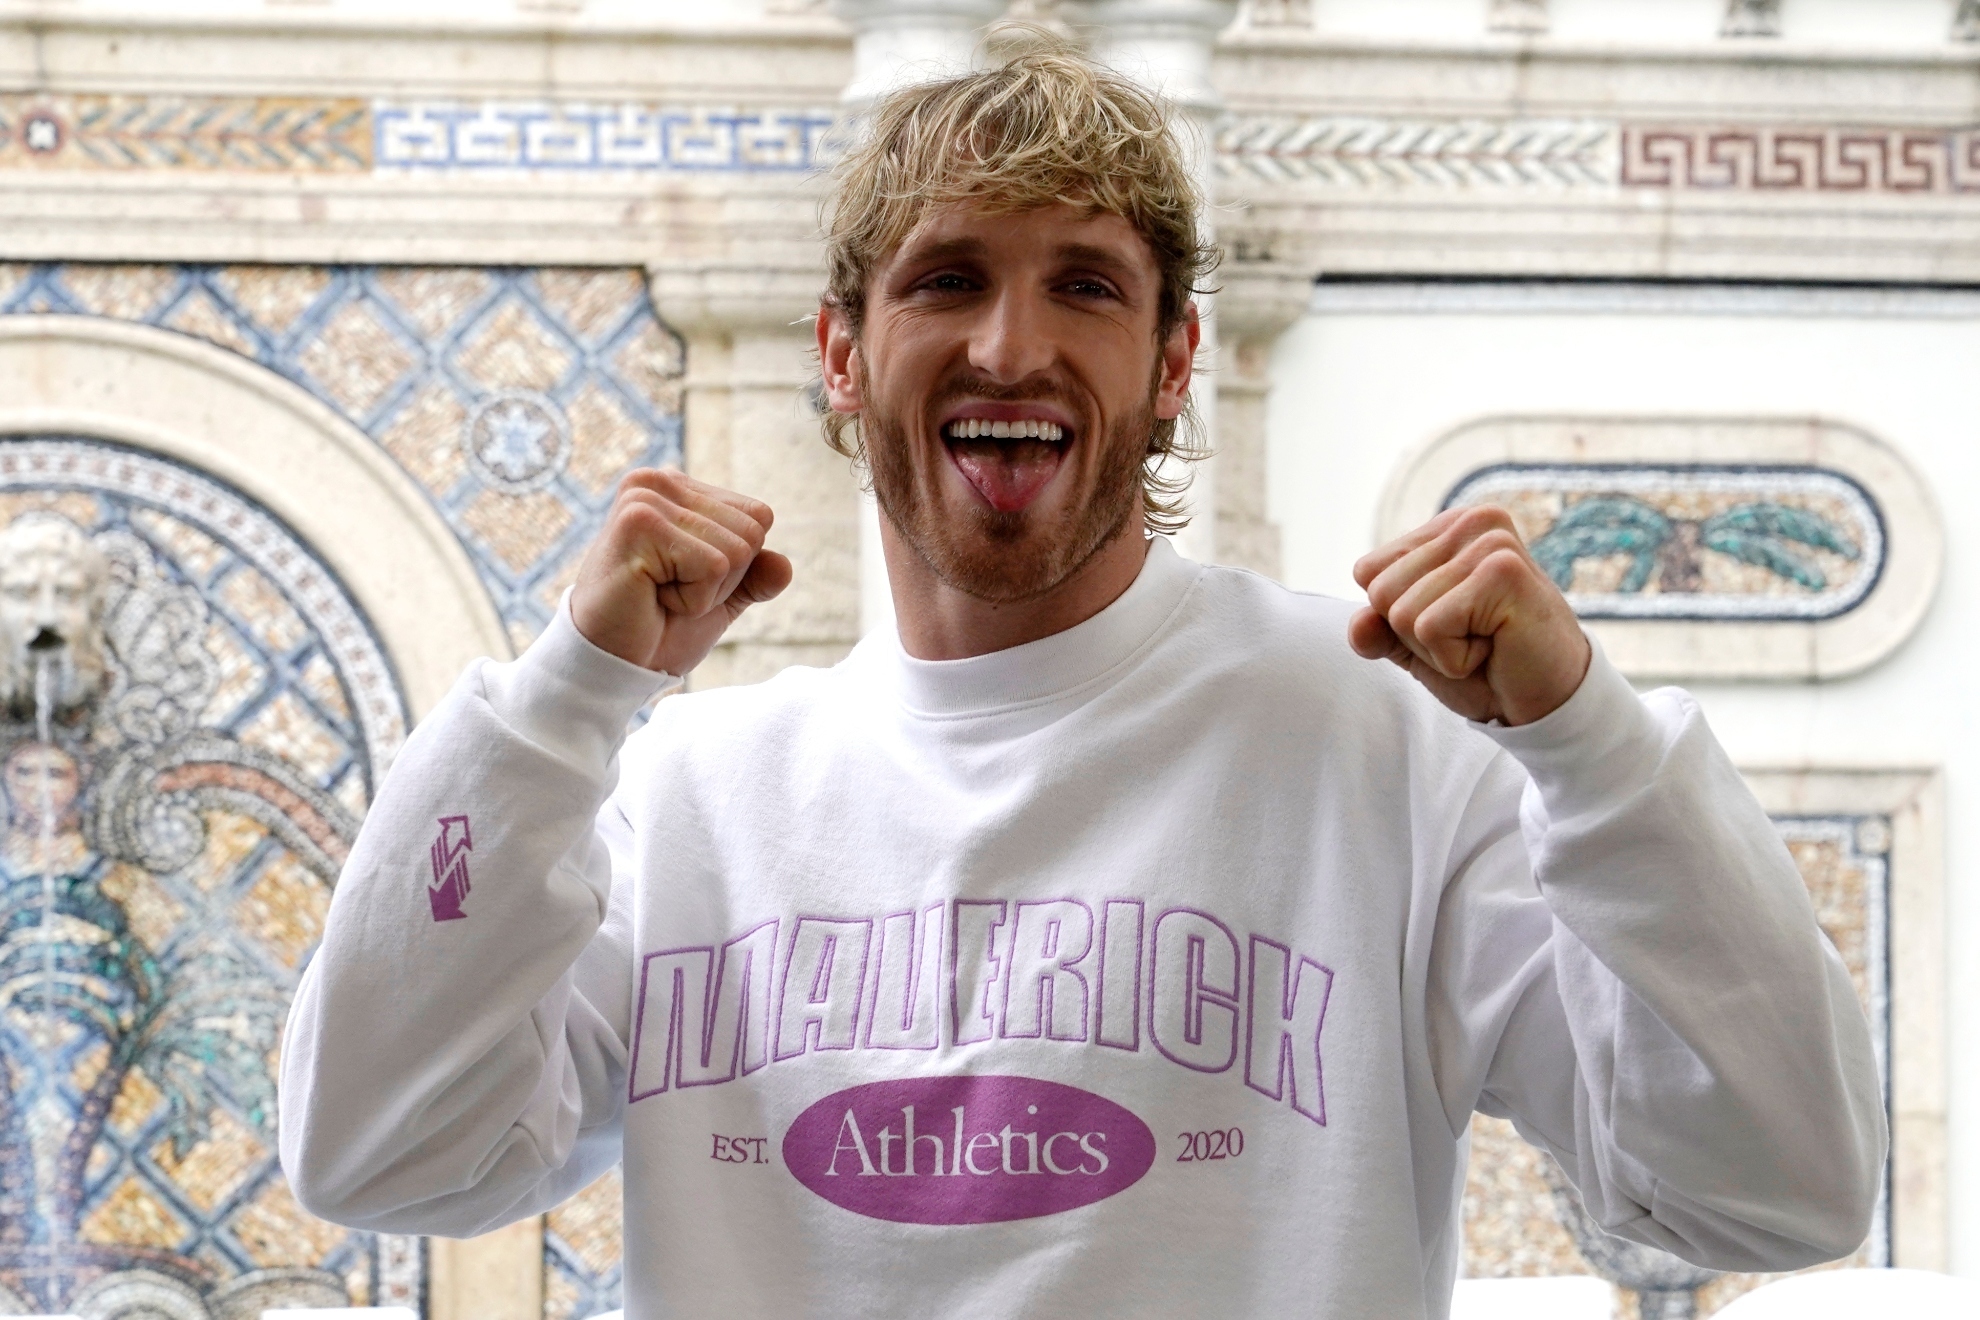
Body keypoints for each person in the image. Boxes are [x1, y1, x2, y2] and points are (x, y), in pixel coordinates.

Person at [278, 32, 1884, 1319]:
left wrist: (1592, 744)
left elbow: (1777, 1187)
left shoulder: (1385, 757)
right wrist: (562, 702)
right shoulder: (684, 798)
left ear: (1174, 363)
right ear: (843, 354)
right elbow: (377, 1153)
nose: (1009, 350)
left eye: (1087, 286)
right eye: (948, 279)